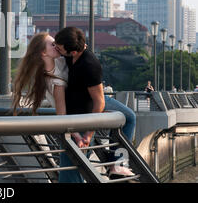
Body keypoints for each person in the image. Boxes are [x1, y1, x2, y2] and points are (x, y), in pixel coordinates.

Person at [13, 29, 135, 182]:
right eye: (53, 44)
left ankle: (116, 164)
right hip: (79, 114)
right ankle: (116, 165)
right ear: (44, 53)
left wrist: (86, 134)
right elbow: (62, 113)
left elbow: (99, 101)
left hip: (87, 105)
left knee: (128, 118)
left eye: (57, 44)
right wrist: (78, 135)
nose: (56, 46)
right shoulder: (55, 77)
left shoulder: (61, 59)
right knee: (73, 167)